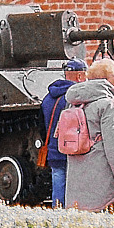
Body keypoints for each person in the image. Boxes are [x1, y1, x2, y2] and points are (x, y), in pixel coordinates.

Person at [62, 60, 114, 213]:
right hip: (106, 191)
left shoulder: (74, 103)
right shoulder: (109, 105)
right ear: (105, 81)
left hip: (77, 188)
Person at [40, 58, 84, 208]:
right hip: (73, 148)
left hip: (53, 148)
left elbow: (41, 125)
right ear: (80, 76)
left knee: (57, 179)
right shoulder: (76, 97)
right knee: (75, 183)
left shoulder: (47, 98)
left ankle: (57, 210)